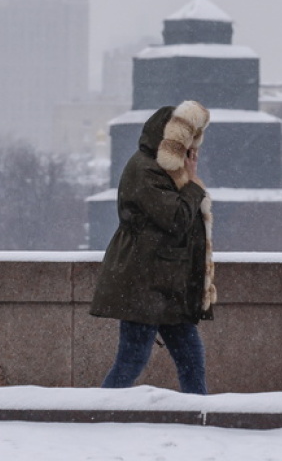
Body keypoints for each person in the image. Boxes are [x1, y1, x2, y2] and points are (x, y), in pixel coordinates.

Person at [89, 100, 216, 394]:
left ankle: (198, 417)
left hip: (164, 285)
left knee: (190, 359)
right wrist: (194, 183)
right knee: (132, 360)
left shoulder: (162, 171)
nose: (190, 153)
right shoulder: (146, 171)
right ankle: (99, 414)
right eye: (185, 144)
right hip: (144, 283)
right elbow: (176, 219)